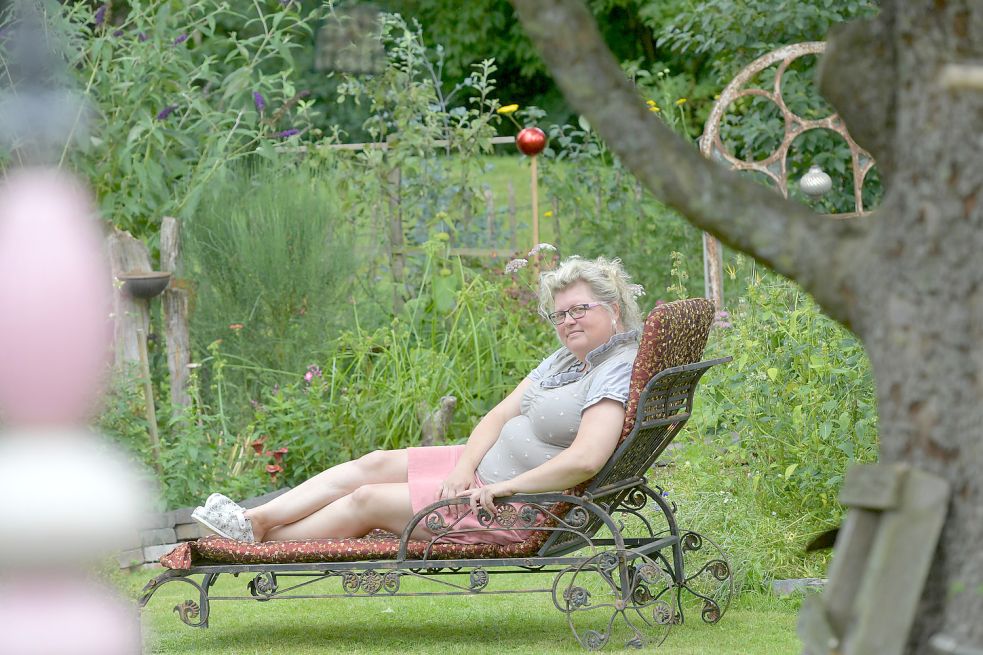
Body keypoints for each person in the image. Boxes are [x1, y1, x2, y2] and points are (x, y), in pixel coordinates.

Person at [191, 256, 644, 545]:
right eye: (560, 313)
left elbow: (586, 459)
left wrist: (502, 488)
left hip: (510, 507)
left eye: (580, 309)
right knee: (372, 462)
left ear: (614, 310)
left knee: (367, 498)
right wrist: (464, 468)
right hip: (478, 477)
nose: (568, 321)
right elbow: (497, 415)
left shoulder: (615, 368)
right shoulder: (565, 359)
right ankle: (257, 519)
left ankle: (261, 539)